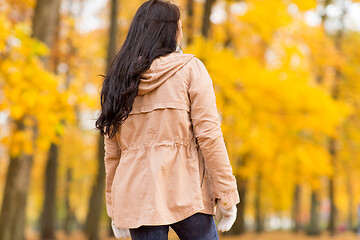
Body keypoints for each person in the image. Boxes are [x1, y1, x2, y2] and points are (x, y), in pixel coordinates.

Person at [95, 0, 240, 239]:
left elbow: (113, 154)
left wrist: (115, 208)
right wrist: (226, 193)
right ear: (170, 31)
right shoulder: (191, 69)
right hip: (186, 190)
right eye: (179, 26)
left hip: (136, 196)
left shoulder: (118, 80)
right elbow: (210, 135)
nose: (181, 32)